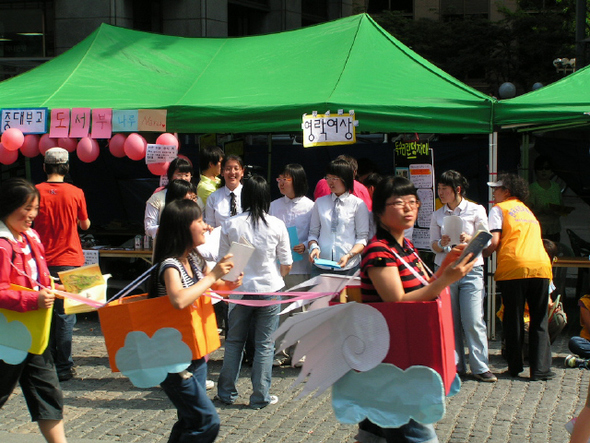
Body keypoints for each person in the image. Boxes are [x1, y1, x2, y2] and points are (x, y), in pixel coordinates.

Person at [357, 176, 474, 443]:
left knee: (374, 431)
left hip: (409, 352)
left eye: (413, 201)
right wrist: (446, 279)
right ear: (379, 210)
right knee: (417, 433)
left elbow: (425, 286)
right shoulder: (378, 251)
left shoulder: (405, 246)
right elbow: (396, 302)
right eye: (399, 202)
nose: (409, 208)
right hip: (392, 359)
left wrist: (447, 267)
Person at [147, 199, 242, 442]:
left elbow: (204, 288)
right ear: (182, 228)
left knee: (189, 420)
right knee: (208, 421)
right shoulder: (170, 265)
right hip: (174, 359)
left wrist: (227, 283)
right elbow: (179, 300)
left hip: (195, 353)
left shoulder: (193, 260)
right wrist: (213, 277)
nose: (206, 226)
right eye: (199, 221)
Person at [0, 177, 68, 443]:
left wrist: (57, 286)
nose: (32, 215)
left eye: (35, 208)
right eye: (26, 208)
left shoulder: (30, 237)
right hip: (9, 336)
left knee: (49, 393)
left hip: (34, 335)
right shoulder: (3, 245)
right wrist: (33, 301)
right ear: (8, 206)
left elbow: (37, 279)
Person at [216, 175, 292, 409]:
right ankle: (260, 396)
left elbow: (223, 262)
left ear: (245, 195)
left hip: (238, 291)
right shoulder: (277, 224)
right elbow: (286, 263)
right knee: (265, 345)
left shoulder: (231, 224)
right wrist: (276, 276)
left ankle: (226, 393)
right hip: (270, 290)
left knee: (234, 342)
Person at [483, 173, 554, 381]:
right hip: (541, 267)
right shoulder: (527, 211)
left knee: (512, 319)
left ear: (507, 191)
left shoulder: (499, 210)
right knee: (539, 320)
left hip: (514, 268)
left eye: (496, 189)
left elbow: (494, 241)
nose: (493, 193)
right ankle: (541, 370)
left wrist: (481, 254)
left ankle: (515, 367)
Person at [430, 170, 495, 382]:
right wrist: (441, 243)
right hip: (446, 268)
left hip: (470, 267)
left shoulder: (476, 210)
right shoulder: (437, 215)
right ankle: (456, 364)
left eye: (444, 189)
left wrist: (471, 238)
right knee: (451, 319)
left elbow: (486, 239)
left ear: (457, 190)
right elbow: (432, 245)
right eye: (439, 189)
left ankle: (480, 365)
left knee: (473, 318)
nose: (440, 193)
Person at [34, 147, 91, 382]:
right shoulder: (76, 192)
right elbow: (85, 224)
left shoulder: (35, 192)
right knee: (67, 316)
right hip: (71, 260)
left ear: (45, 167)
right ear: (66, 167)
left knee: (43, 311)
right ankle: (64, 367)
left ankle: (44, 363)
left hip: (41, 262)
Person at [269, 164, 314, 366]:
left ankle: (301, 353)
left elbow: (315, 233)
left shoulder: (310, 206)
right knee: (280, 311)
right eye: (280, 178)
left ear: (296, 180)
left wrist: (304, 245)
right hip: (279, 267)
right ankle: (280, 352)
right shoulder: (274, 205)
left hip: (300, 267)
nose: (281, 182)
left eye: (285, 179)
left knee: (300, 310)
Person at [308, 159, 370, 277]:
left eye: (335, 178)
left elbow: (362, 238)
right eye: (328, 178)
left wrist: (349, 255)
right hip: (321, 265)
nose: (330, 182)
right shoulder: (320, 203)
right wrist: (314, 247)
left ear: (346, 179)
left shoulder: (357, 204)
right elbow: (313, 233)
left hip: (349, 266)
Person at [145, 157, 201, 239]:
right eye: (179, 175)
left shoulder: (196, 199)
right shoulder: (157, 198)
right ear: (170, 176)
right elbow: (148, 228)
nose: (183, 178)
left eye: (186, 175)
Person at [528, 155, 568, 242]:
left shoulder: (556, 187)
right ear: (536, 170)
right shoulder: (532, 188)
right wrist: (541, 210)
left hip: (555, 230)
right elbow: (527, 211)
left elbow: (561, 207)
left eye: (547, 168)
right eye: (540, 168)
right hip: (538, 230)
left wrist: (559, 210)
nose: (543, 171)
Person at [204, 154, 244, 229]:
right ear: (222, 172)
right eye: (228, 169)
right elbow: (210, 226)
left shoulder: (248, 195)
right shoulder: (213, 198)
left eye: (236, 168)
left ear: (242, 172)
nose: (232, 172)